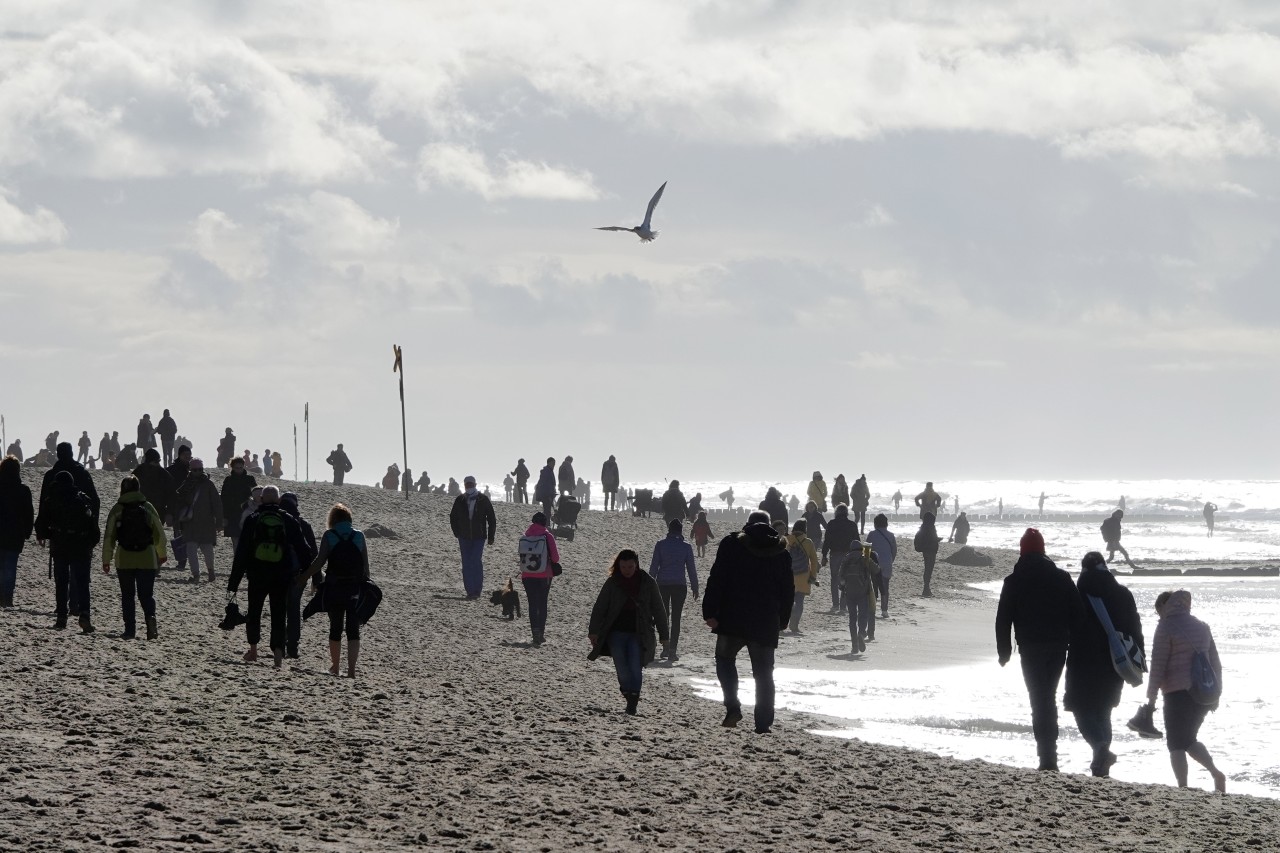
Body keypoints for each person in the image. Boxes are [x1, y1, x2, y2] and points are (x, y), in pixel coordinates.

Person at [995, 528, 1084, 772]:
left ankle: (1046, 757)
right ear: (1043, 549)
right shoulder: (1061, 577)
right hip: (1057, 646)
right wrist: (1076, 644)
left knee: (1039, 698)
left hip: (1030, 647)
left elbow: (1003, 618)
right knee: (1048, 696)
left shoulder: (1014, 581)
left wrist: (1004, 652)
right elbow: (1078, 613)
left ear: (1022, 551)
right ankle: (1049, 754)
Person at [702, 511, 794, 734]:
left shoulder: (732, 544)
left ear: (747, 525)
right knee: (763, 674)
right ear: (770, 526)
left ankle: (733, 706)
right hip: (765, 621)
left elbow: (717, 577)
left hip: (732, 617)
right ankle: (763, 724)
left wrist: (709, 611)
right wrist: (783, 619)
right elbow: (787, 590)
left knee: (724, 660)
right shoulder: (781, 552)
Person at [1064, 552, 1144, 777]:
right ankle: (1101, 763)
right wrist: (1140, 658)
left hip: (1083, 660)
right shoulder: (1122, 593)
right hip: (1115, 661)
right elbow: (1135, 628)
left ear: (1085, 569)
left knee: (1081, 708)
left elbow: (1069, 624)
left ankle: (1100, 750)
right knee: (1104, 710)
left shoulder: (1078, 592)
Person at [1145, 589, 1227, 792]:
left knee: (1175, 743)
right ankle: (1216, 773)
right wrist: (1217, 692)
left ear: (1165, 606)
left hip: (1176, 692)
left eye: (1159, 610)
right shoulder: (1202, 626)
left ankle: (1183, 786)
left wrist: (1151, 698)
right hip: (1203, 693)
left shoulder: (1166, 627)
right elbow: (1215, 663)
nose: (1159, 614)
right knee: (1189, 738)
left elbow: (1158, 665)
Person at [228, 486, 309, 668]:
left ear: (262, 499)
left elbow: (242, 552)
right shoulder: (288, 519)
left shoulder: (253, 519)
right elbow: (304, 549)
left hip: (257, 574)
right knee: (279, 613)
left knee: (254, 611)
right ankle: (278, 654)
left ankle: (254, 650)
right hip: (282, 574)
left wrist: (234, 582)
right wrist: (305, 574)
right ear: (279, 500)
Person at [588, 549, 670, 716]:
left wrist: (664, 635)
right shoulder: (612, 582)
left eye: (630, 567)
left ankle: (632, 703)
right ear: (618, 565)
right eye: (624, 566)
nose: (627, 570)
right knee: (622, 669)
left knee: (635, 666)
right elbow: (600, 607)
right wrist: (594, 631)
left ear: (637, 565)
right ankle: (628, 693)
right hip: (616, 633)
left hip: (639, 633)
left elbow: (659, 609)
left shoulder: (647, 582)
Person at [297, 502, 370, 677]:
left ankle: (336, 667)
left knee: (335, 627)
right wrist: (365, 586)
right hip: (354, 587)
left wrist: (304, 576)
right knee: (353, 630)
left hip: (334, 587)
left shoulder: (330, 535)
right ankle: (351, 670)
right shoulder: (359, 536)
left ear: (332, 519)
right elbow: (366, 566)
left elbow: (319, 562)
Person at [101, 476, 167, 640]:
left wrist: (106, 559)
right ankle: (150, 618)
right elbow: (159, 533)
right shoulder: (147, 507)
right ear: (138, 489)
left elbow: (109, 536)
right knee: (146, 595)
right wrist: (162, 554)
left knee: (127, 595)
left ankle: (130, 630)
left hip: (124, 558)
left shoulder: (117, 509)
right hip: (147, 557)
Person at [35, 469, 100, 632]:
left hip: (60, 545)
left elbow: (42, 520)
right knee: (82, 583)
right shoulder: (81, 498)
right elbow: (93, 527)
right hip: (81, 546)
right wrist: (90, 544)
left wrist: (45, 535)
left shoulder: (52, 499)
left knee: (61, 582)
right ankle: (84, 614)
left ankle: (61, 616)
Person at [649, 519, 699, 662]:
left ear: (669, 530)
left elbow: (654, 567)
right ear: (681, 531)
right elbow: (691, 569)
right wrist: (695, 587)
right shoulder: (686, 547)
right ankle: (672, 651)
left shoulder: (660, 545)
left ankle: (665, 646)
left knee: (663, 616)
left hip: (662, 584)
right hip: (679, 585)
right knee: (676, 618)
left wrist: (648, 584)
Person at [279, 491, 319, 658]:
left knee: (279, 608)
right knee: (293, 609)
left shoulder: (276, 521)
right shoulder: (304, 524)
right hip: (299, 575)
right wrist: (315, 577)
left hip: (277, 573)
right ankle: (293, 647)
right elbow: (314, 553)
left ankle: (279, 643)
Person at [171, 458, 223, 583]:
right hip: (190, 522)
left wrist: (219, 522)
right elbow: (178, 503)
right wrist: (176, 521)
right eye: (195, 470)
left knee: (206, 549)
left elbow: (217, 504)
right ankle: (197, 575)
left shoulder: (207, 484)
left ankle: (210, 571)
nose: (198, 472)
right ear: (190, 469)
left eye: (200, 469)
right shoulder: (186, 484)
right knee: (192, 549)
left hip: (205, 522)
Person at [450, 475, 496, 600]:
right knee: (466, 563)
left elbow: (491, 518)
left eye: (471, 484)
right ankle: (470, 591)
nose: (469, 486)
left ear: (475, 485)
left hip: (479, 537)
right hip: (464, 537)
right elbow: (453, 517)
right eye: (467, 485)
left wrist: (491, 536)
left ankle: (477, 590)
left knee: (475, 561)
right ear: (464, 485)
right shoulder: (460, 500)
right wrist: (457, 532)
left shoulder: (483, 499)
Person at [519, 511, 560, 645]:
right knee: (542, 603)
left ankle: (535, 632)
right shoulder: (547, 536)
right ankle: (541, 633)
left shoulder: (525, 536)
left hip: (527, 575)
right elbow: (555, 558)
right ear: (545, 523)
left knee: (532, 603)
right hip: (544, 574)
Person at [0, 455, 35, 607]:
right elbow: (28, 513)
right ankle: (7, 597)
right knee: (10, 567)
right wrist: (27, 531)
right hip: (15, 534)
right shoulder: (23, 490)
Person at [840, 542, 879, 651]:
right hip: (862, 592)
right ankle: (861, 633)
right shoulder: (864, 558)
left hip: (849, 593)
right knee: (863, 615)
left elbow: (841, 577)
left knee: (852, 619)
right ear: (861, 549)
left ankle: (854, 646)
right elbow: (877, 569)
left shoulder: (846, 559)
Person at [820, 504, 859, 614]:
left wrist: (824, 555)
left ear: (836, 512)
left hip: (835, 554)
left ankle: (835, 605)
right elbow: (857, 541)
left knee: (834, 579)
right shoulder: (852, 525)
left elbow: (827, 540)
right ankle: (843, 606)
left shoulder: (831, 524)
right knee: (846, 580)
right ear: (846, 513)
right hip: (848, 555)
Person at [784, 519, 819, 633]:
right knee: (799, 602)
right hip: (803, 576)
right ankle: (794, 625)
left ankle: (783, 625)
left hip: (788, 575)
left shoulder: (787, 539)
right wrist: (813, 576)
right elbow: (813, 561)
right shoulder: (808, 542)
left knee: (786, 601)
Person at [219, 456, 258, 550]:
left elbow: (256, 495)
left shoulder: (250, 479)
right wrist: (224, 516)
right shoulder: (228, 480)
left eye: (241, 467)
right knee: (236, 542)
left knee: (248, 540)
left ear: (244, 466)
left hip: (248, 513)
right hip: (232, 514)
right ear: (232, 467)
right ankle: (238, 563)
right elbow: (224, 499)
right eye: (237, 468)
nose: (239, 470)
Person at [131, 448, 174, 526]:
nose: (157, 464)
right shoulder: (138, 472)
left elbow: (171, 494)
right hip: (140, 510)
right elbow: (129, 491)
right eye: (155, 462)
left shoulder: (164, 474)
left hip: (159, 511)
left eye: (158, 461)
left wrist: (169, 512)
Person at [867, 514, 897, 618]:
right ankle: (884, 610)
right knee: (885, 588)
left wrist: (866, 562)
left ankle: (872, 608)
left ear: (875, 523)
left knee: (874, 587)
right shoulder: (891, 535)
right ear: (886, 524)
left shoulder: (871, 534)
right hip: (887, 563)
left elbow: (866, 550)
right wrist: (890, 561)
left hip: (874, 564)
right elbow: (894, 551)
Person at [913, 512, 941, 597]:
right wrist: (937, 539)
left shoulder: (923, 527)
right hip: (931, 550)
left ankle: (926, 589)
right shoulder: (930, 528)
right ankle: (926, 589)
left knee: (927, 569)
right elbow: (931, 539)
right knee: (929, 569)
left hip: (926, 550)